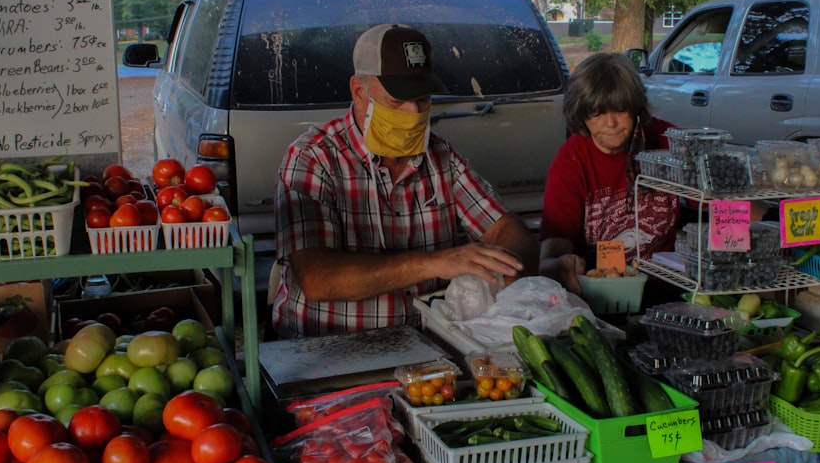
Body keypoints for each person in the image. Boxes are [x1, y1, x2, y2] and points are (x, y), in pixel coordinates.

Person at [273, 24, 539, 337]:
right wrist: (433, 264)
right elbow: (318, 279)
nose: (413, 112)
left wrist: (506, 274)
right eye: (397, 102)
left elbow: (506, 229)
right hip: (328, 348)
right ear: (359, 91)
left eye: (423, 99)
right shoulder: (314, 157)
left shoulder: (440, 156)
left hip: (429, 347)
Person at [538, 52, 679, 296]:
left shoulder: (668, 142)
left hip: (671, 290)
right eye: (598, 113)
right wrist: (562, 267)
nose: (611, 123)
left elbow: (723, 200)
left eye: (620, 110)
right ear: (581, 115)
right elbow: (549, 258)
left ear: (635, 107)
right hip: (602, 297)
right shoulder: (570, 162)